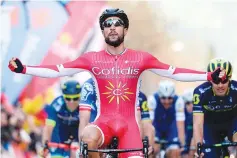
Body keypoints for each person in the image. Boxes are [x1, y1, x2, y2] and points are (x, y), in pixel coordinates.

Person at [8, 8, 225, 158]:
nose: (112, 27)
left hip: (129, 128)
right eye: (107, 24)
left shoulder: (141, 58)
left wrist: (207, 77)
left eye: (117, 24)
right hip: (104, 124)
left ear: (125, 30)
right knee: (87, 137)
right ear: (103, 31)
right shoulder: (91, 59)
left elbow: (174, 72)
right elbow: (57, 70)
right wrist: (24, 68)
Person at [79, 78, 155, 155]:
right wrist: (82, 149)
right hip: (98, 125)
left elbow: (137, 120)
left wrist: (139, 148)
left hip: (123, 126)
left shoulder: (128, 83)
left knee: (149, 129)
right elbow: (84, 119)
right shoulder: (89, 85)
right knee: (89, 136)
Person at [193, 58, 237, 158]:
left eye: (224, 81)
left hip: (233, 123)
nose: (220, 85)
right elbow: (198, 124)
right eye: (216, 81)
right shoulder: (200, 92)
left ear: (229, 79)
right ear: (210, 80)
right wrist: (198, 149)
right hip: (210, 126)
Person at [41, 80, 81, 158]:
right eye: (68, 98)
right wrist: (45, 146)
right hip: (58, 139)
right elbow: (48, 128)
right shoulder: (56, 104)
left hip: (76, 138)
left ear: (80, 96)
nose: (71, 102)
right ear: (63, 96)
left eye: (75, 98)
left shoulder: (84, 105)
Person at [148, 80, 186, 158]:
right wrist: (150, 143)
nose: (166, 101)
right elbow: (149, 124)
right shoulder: (152, 99)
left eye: (169, 98)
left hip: (171, 129)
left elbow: (180, 125)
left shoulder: (179, 101)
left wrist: (182, 144)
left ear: (173, 96)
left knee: (174, 153)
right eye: (163, 98)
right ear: (159, 96)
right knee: (152, 151)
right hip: (156, 128)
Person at [181, 88, 195, 158]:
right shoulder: (180, 115)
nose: (191, 105)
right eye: (188, 103)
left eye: (193, 102)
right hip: (182, 146)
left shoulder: (199, 115)